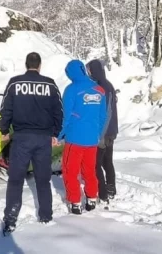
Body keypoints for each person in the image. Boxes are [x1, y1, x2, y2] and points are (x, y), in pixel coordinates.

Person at [0, 52, 63, 234]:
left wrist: (4, 130)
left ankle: (11, 218)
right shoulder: (50, 84)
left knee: (16, 179)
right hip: (43, 139)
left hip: (21, 138)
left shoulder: (15, 82)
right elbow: (58, 111)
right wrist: (56, 133)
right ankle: (45, 215)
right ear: (39, 66)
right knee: (43, 179)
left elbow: (6, 109)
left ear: (26, 65)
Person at [58, 59, 107, 215]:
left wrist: (59, 135)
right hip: (92, 140)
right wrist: (97, 134)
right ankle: (92, 198)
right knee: (89, 170)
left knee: (70, 171)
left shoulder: (71, 89)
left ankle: (75, 202)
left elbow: (65, 116)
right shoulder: (99, 90)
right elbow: (102, 116)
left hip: (74, 139)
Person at [87, 59, 118, 203]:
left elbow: (106, 112)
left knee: (95, 164)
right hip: (111, 130)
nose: (88, 73)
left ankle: (103, 192)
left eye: (89, 71)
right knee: (107, 162)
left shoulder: (101, 87)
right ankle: (111, 188)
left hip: (103, 133)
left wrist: (99, 135)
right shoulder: (108, 84)